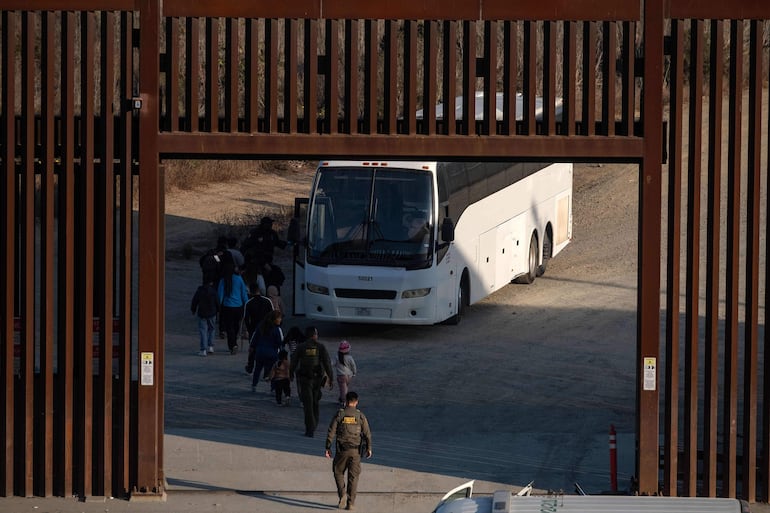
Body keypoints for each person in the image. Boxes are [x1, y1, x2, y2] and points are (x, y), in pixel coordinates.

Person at [325, 391, 372, 511]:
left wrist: (328, 447)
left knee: (338, 472)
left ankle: (342, 495)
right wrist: (369, 448)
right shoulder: (360, 416)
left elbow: (331, 431)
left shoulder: (340, 414)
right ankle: (351, 503)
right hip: (356, 452)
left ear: (346, 401)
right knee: (353, 477)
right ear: (356, 402)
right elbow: (367, 434)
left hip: (342, 451)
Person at [290, 326, 333, 437]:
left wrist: (290, 374)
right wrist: (331, 377)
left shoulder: (301, 347)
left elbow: (293, 361)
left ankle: (310, 428)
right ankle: (313, 425)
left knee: (307, 404)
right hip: (317, 380)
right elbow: (327, 363)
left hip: (305, 379)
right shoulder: (320, 347)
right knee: (315, 403)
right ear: (314, 335)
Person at [217, 258, 248, 354]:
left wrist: (218, 306)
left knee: (229, 327)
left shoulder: (223, 280)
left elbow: (220, 295)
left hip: (227, 307)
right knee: (236, 326)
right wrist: (247, 304)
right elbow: (244, 294)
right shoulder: (239, 279)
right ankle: (234, 341)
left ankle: (233, 345)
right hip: (238, 307)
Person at [243, 282, 274, 374]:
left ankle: (250, 366)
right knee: (266, 349)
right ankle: (266, 371)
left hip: (254, 329)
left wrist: (248, 330)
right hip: (266, 329)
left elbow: (246, 319)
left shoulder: (249, 303)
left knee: (253, 348)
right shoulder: (267, 301)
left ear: (251, 291)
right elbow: (273, 315)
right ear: (259, 290)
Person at [250, 310, 284, 392]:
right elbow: (281, 342)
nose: (280, 320)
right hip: (271, 353)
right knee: (273, 371)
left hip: (260, 352)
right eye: (279, 318)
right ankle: (273, 388)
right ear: (274, 319)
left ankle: (254, 385)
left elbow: (254, 338)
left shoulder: (261, 326)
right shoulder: (277, 329)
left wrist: (252, 347)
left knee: (257, 369)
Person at [190, 278, 219, 356]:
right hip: (212, 313)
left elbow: (194, 301)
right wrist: (218, 311)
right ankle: (211, 347)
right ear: (211, 283)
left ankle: (203, 350)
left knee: (203, 331)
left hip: (202, 313)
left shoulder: (199, 291)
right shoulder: (213, 291)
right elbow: (217, 301)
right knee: (212, 329)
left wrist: (193, 309)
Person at [335, 341, 357, 407]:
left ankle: (344, 401)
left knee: (343, 389)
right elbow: (353, 366)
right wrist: (354, 373)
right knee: (345, 388)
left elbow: (333, 363)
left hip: (341, 376)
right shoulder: (350, 357)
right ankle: (341, 399)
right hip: (349, 376)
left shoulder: (337, 357)